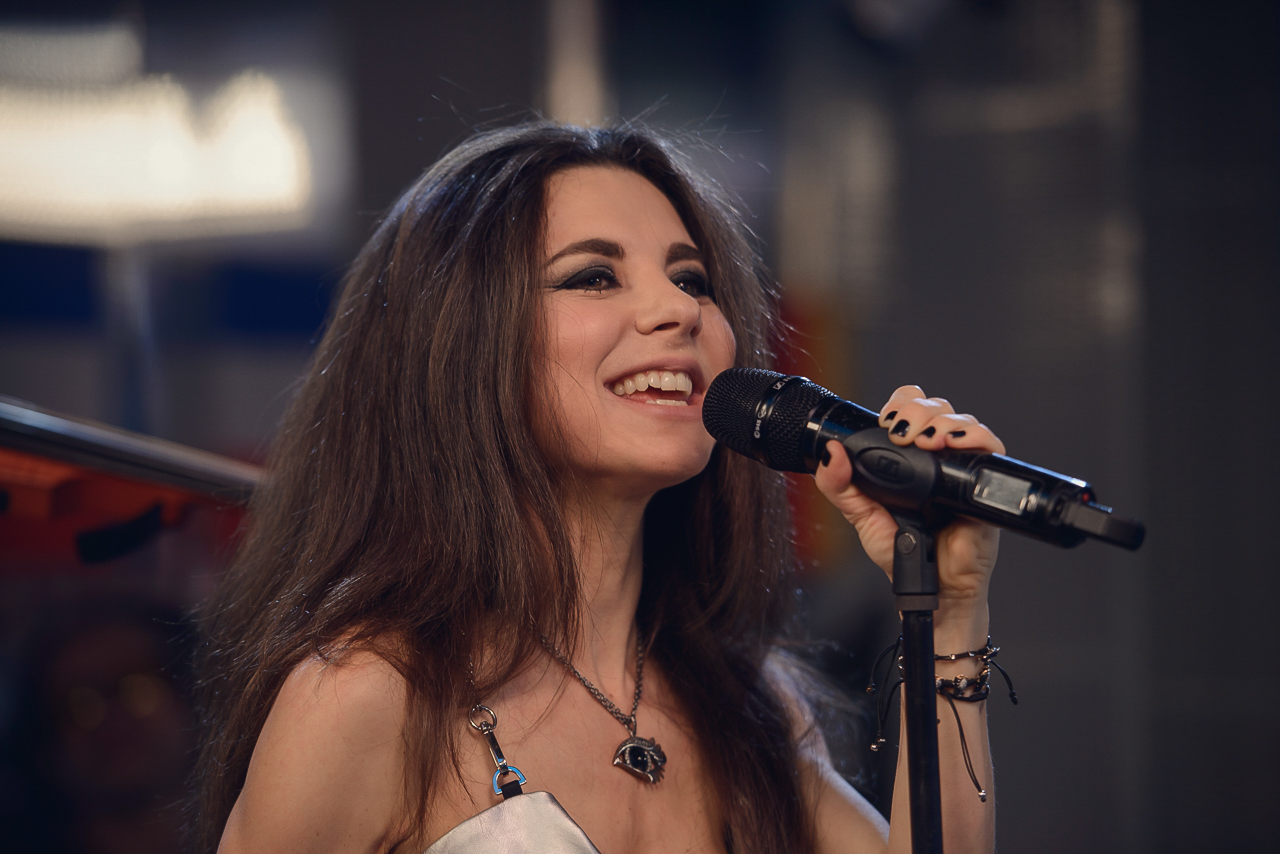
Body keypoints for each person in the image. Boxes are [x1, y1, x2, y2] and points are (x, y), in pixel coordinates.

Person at [194, 123, 1003, 854]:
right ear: (461, 345)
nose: (676, 310)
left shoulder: (751, 708)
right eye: (592, 277)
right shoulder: (365, 696)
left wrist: (952, 608)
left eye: (692, 280)